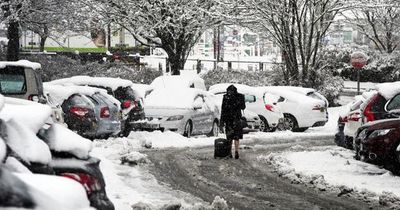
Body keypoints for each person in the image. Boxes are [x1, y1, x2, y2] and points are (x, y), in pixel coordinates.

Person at [220, 85, 246, 159]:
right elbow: (243, 107)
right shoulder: (240, 96)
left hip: (228, 119)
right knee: (236, 137)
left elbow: (223, 109)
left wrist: (222, 121)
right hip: (237, 119)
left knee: (229, 137)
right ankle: (236, 151)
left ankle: (230, 152)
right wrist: (240, 100)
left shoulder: (226, 97)